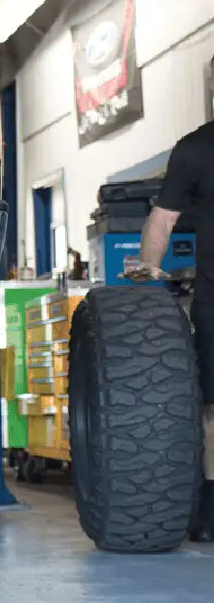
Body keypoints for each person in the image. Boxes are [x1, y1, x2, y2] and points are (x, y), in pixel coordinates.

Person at [126, 119, 214, 542]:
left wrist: (150, 269)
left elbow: (161, 223)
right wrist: (148, 275)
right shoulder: (196, 148)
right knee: (212, 408)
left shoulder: (195, 147)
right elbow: (162, 223)